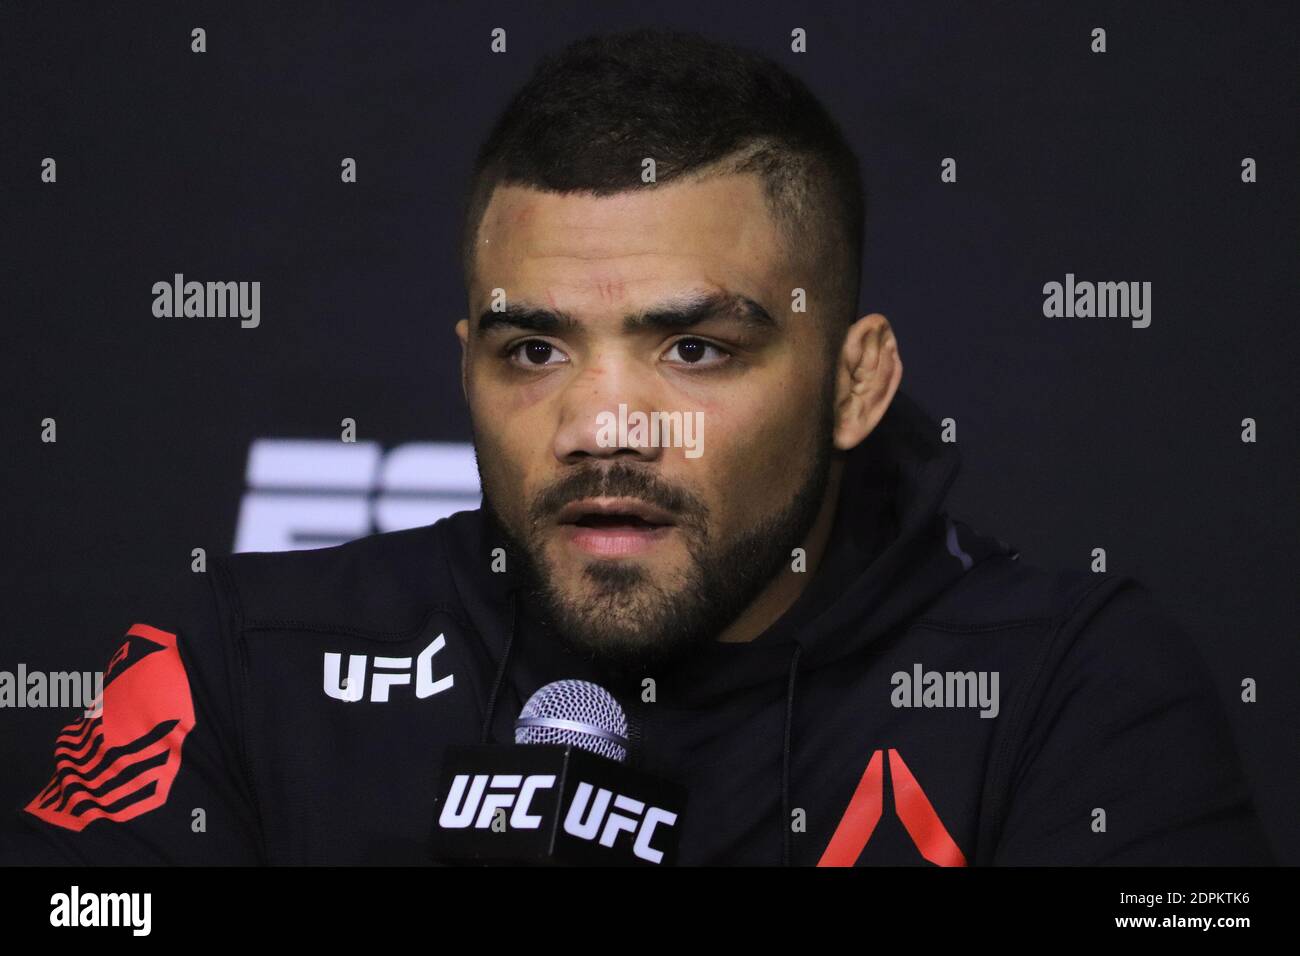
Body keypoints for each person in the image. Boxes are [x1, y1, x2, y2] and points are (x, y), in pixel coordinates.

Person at [2, 27, 1272, 866]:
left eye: (696, 348)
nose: (603, 428)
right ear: (465, 365)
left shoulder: (1068, 690)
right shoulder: (242, 659)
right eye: (535, 350)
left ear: (854, 379)